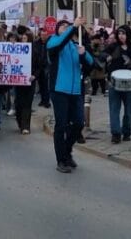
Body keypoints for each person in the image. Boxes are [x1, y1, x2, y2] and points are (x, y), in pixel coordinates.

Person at [47, 17, 93, 173]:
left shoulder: (75, 46)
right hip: (59, 90)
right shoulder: (53, 42)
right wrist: (72, 27)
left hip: (75, 91)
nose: (65, 28)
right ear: (57, 30)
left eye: (67, 26)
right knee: (61, 125)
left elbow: (90, 64)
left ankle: (66, 151)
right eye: (62, 26)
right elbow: (58, 44)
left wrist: (84, 54)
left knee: (79, 123)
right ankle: (61, 160)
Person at [102, 25, 131, 144]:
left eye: (124, 34)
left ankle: (126, 132)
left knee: (129, 111)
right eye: (119, 34)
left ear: (127, 35)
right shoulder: (112, 47)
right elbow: (102, 55)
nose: (121, 36)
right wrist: (108, 57)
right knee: (114, 109)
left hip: (130, 85)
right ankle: (116, 134)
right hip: (115, 83)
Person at [15, 32, 39, 135]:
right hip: (19, 81)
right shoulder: (18, 50)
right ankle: (20, 122)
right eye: (22, 38)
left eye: (25, 38)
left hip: (30, 80)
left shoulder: (35, 51)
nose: (23, 40)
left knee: (27, 104)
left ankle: (26, 127)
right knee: (18, 104)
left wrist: (34, 75)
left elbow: (39, 66)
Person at [33, 29, 51, 108]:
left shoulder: (49, 43)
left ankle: (46, 101)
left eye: (45, 35)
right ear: (40, 35)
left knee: (46, 85)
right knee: (40, 85)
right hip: (38, 66)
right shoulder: (36, 43)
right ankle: (42, 100)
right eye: (42, 35)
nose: (44, 37)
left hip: (46, 66)